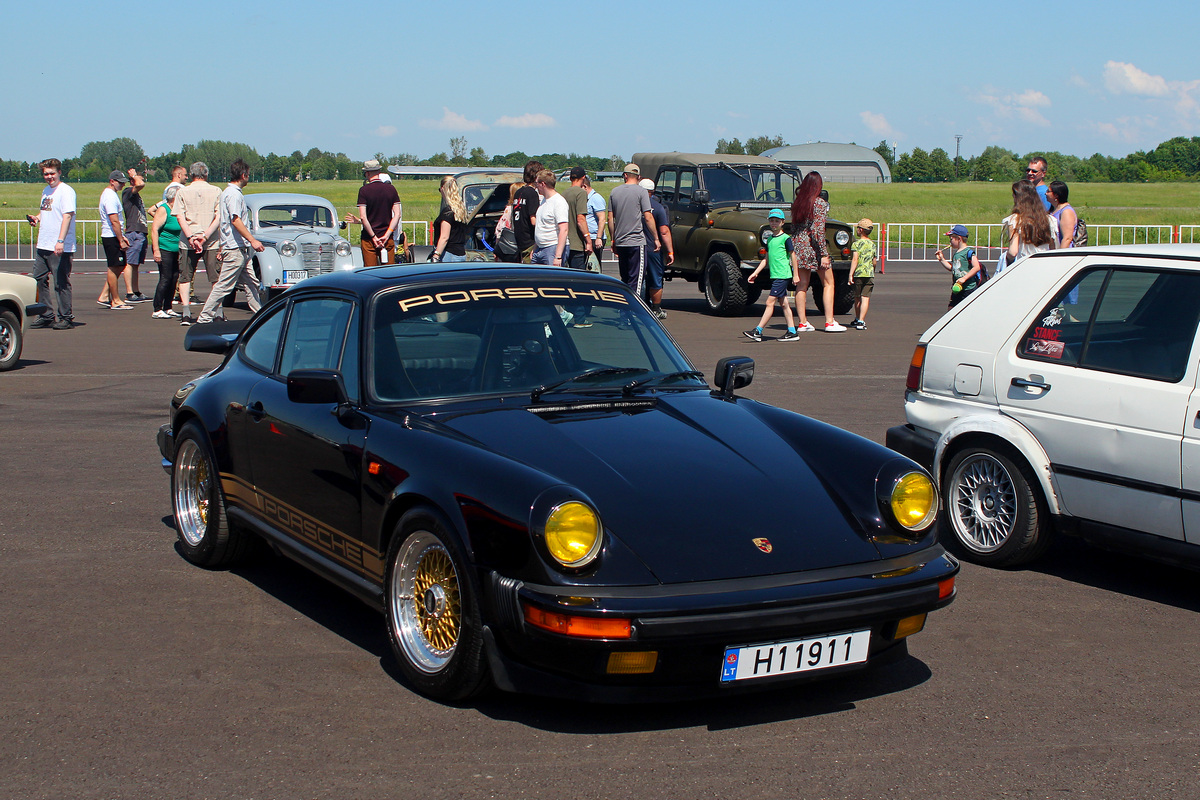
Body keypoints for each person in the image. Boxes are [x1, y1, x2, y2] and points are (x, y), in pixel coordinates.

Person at [194, 159, 263, 325]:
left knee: (252, 284)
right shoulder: (233, 195)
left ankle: (261, 316)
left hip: (239, 248)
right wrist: (252, 240)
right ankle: (204, 318)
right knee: (224, 285)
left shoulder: (231, 193)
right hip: (235, 248)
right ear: (243, 175)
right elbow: (235, 220)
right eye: (248, 175)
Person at [790, 171, 843, 332]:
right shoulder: (819, 203)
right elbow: (818, 231)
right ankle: (829, 321)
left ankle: (802, 322)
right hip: (813, 247)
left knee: (802, 285)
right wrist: (824, 254)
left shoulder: (798, 203)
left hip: (798, 246)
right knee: (828, 283)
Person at [28, 158, 77, 330]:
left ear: (59, 173)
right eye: (46, 174)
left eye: (52, 173)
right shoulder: (46, 191)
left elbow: (67, 216)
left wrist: (60, 241)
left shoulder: (66, 191)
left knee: (60, 282)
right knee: (39, 279)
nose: (49, 177)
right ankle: (46, 314)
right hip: (44, 243)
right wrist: (37, 218)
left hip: (59, 245)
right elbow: (46, 211)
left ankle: (66, 317)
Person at [173, 162, 222, 321]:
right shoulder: (216, 191)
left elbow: (180, 216)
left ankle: (186, 311)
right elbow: (219, 217)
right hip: (211, 240)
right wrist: (206, 236)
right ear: (206, 174)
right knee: (215, 277)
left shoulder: (182, 192)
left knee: (185, 276)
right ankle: (218, 311)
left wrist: (191, 237)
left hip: (188, 240)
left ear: (192, 175)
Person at [742, 209, 799, 342]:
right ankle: (792, 331)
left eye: (777, 221)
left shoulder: (786, 239)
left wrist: (795, 274)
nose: (774, 223)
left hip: (782, 275)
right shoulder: (770, 240)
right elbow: (765, 259)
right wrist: (755, 273)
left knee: (769, 302)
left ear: (782, 223)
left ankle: (758, 330)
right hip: (775, 275)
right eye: (772, 221)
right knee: (784, 303)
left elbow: (793, 256)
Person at [607, 164, 660, 297]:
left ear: (625, 175)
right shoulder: (641, 192)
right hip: (636, 242)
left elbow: (610, 218)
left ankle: (624, 309)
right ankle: (632, 311)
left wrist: (613, 238)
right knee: (636, 280)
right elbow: (648, 217)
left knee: (625, 279)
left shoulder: (615, 192)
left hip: (621, 241)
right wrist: (656, 238)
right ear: (638, 177)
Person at [999, 180, 1057, 272]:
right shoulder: (1050, 220)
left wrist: (1005, 260)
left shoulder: (1014, 220)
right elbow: (1053, 247)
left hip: (1024, 266)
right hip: (1045, 266)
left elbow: (1013, 252)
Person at [98, 170, 133, 310]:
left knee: (119, 266)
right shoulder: (110, 197)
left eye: (124, 182)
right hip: (111, 236)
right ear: (112, 181)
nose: (123, 185)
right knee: (114, 267)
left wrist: (121, 236)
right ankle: (116, 300)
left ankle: (105, 295)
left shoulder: (111, 195)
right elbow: (114, 220)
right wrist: (120, 240)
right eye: (120, 182)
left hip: (113, 234)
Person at [639, 178, 673, 318]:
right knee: (655, 278)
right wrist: (670, 251)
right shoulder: (658, 208)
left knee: (636, 278)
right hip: (653, 248)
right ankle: (656, 308)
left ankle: (637, 306)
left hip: (635, 246)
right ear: (652, 192)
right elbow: (664, 231)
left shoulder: (634, 205)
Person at [357, 159, 401, 266]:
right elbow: (397, 214)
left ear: (367, 173)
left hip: (369, 239)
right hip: (387, 237)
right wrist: (387, 234)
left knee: (370, 272)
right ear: (379, 172)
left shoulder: (364, 191)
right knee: (389, 272)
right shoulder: (391, 189)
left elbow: (363, 217)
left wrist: (373, 237)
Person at [149, 184, 184, 318]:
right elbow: (154, 230)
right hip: (165, 248)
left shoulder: (179, 210)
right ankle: (157, 308)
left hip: (176, 249)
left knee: (174, 277)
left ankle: (168, 306)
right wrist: (156, 250)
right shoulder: (164, 210)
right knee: (165, 277)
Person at [120, 167, 149, 303]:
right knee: (130, 262)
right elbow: (140, 184)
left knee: (136, 263)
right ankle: (129, 292)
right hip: (134, 231)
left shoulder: (135, 195)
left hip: (140, 231)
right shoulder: (127, 192)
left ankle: (136, 290)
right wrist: (134, 175)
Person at [935, 224, 982, 308]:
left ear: (959, 239)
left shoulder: (968, 252)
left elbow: (976, 267)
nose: (950, 241)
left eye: (951, 238)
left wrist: (964, 278)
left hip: (968, 289)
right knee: (951, 309)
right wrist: (942, 259)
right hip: (957, 288)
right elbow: (953, 268)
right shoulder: (957, 253)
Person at [530, 169, 569, 266]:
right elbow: (541, 226)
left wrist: (558, 256)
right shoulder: (544, 201)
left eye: (536, 183)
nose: (536, 186)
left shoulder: (558, 202)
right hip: (540, 248)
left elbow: (563, 229)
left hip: (552, 248)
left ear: (543, 184)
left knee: (552, 279)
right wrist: (535, 248)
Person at [559, 167, 593, 270]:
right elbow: (580, 219)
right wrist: (588, 240)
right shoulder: (581, 193)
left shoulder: (563, 193)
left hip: (565, 241)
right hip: (576, 243)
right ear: (583, 178)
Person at [431, 175, 469, 263]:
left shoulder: (447, 213)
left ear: (443, 189)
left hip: (448, 254)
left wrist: (436, 255)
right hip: (461, 254)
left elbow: (444, 237)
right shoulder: (461, 210)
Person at [511, 160, 543, 262]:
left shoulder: (518, 192)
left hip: (520, 239)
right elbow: (533, 220)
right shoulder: (532, 193)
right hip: (530, 241)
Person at [848, 218, 877, 330]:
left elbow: (855, 259)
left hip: (858, 273)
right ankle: (861, 320)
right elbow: (874, 261)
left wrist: (851, 274)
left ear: (860, 230)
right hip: (869, 273)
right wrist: (872, 270)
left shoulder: (856, 244)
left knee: (857, 297)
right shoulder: (872, 244)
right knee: (866, 297)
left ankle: (857, 317)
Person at [1047, 180, 1079, 249]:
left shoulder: (1066, 211)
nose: (1045, 193)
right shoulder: (1053, 210)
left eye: (1048, 191)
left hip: (1063, 253)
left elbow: (1067, 238)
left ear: (1056, 195)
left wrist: (1059, 255)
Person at [583, 175, 606, 270]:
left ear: (584, 186)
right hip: (588, 236)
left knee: (594, 266)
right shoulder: (585, 199)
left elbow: (602, 219)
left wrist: (598, 237)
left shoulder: (596, 198)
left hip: (595, 238)